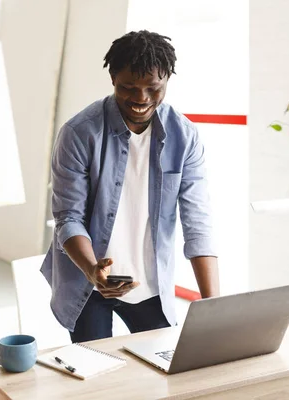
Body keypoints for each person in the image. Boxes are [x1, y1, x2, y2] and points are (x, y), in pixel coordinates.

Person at [40, 30, 219, 343]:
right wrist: (93, 269)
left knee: (162, 377)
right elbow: (68, 218)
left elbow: (198, 222)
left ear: (167, 81)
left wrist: (214, 306)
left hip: (151, 281)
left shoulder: (184, 136)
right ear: (112, 79)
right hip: (89, 280)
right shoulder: (79, 133)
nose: (141, 98)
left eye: (153, 88)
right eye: (128, 87)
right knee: (98, 378)